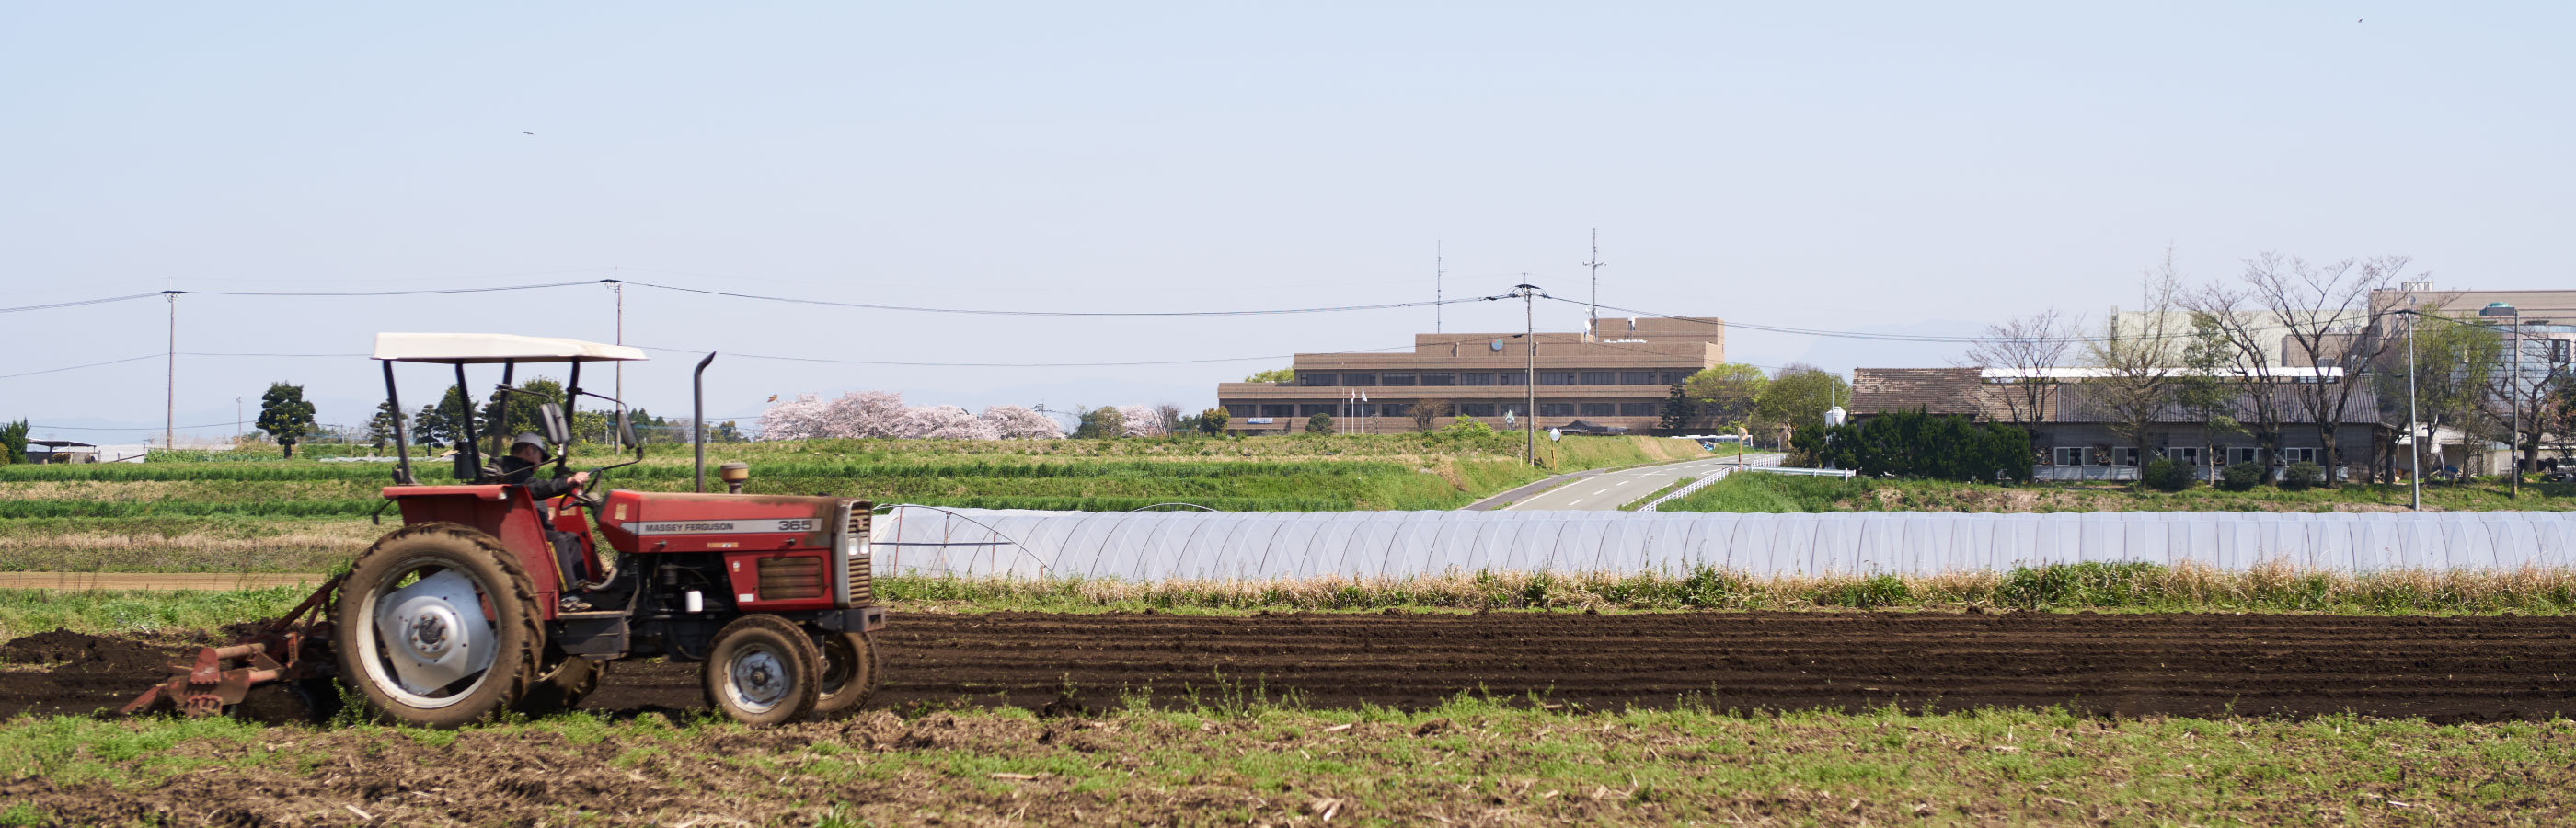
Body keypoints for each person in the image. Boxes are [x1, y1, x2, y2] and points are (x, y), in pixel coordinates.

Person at [497, 433, 600, 603]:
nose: (540, 462)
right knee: (557, 539)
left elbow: (532, 491)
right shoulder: (512, 469)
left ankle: (581, 589)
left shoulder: (516, 470)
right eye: (540, 456)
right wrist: (568, 482)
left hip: (526, 525)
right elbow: (535, 489)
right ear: (531, 451)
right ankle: (568, 596)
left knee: (571, 537)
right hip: (516, 531)